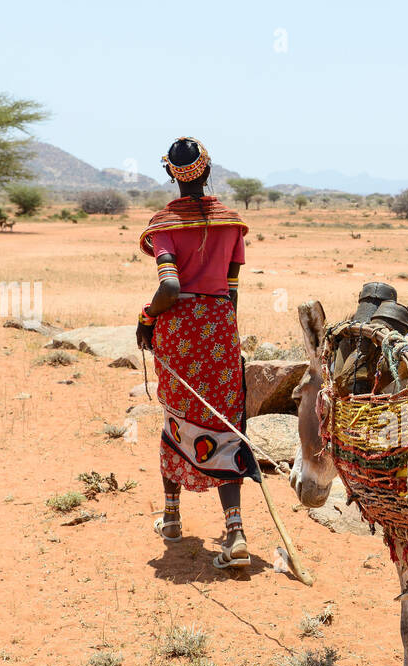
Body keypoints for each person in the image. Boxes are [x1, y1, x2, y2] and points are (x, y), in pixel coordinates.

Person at [136, 137, 254, 569]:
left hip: (180, 332)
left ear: (172, 173)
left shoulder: (166, 225)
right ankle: (236, 532)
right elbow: (232, 293)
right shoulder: (231, 224)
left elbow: (170, 287)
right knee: (226, 424)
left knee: (177, 418)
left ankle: (171, 519)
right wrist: (224, 338)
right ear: (208, 170)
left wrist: (148, 318)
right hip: (221, 330)